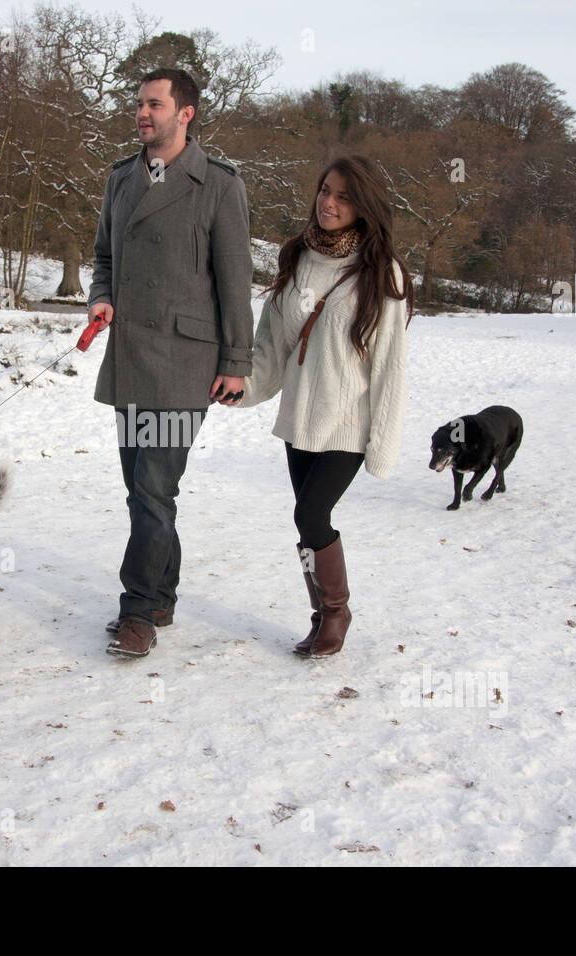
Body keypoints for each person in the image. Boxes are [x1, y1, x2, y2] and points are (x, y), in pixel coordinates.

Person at [87, 67, 254, 659]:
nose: (141, 113)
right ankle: (162, 595)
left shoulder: (218, 184)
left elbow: (236, 282)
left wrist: (237, 362)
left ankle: (138, 614)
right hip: (130, 356)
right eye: (139, 104)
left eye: (154, 104)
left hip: (186, 365)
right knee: (143, 490)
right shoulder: (121, 179)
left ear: (185, 113)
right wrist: (100, 297)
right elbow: (104, 256)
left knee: (154, 490)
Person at [221, 154, 413, 658]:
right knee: (304, 521)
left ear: (363, 206)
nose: (329, 202)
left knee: (312, 514)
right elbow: (272, 346)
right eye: (326, 190)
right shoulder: (298, 258)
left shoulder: (381, 275)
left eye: (343, 196)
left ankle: (336, 612)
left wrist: (382, 445)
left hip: (347, 425)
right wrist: (241, 387)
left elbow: (390, 368)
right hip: (298, 423)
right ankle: (319, 614)